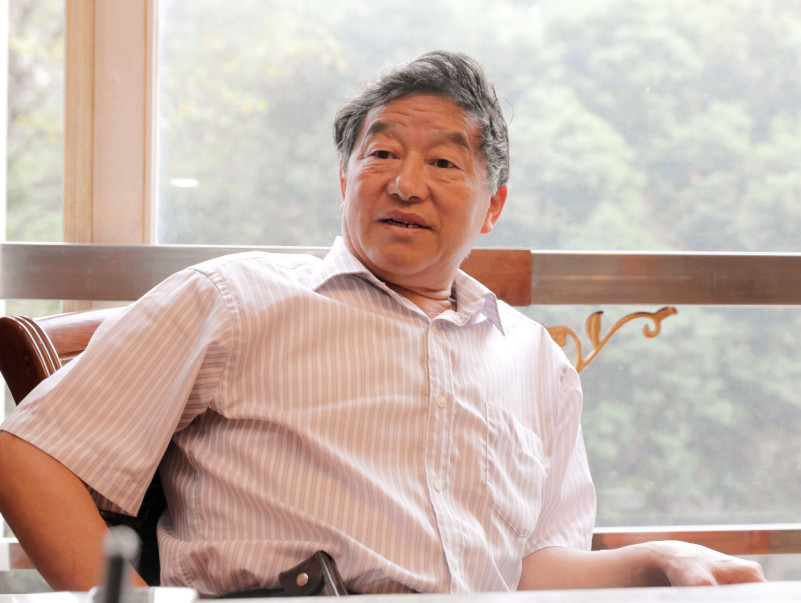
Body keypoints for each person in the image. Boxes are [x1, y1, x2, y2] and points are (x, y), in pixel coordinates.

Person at [0, 51, 764, 595]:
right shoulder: (234, 299)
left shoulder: (536, 360)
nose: (405, 183)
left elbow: (532, 569)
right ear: (344, 180)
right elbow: (28, 452)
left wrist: (654, 557)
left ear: (492, 206)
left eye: (443, 163)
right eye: (382, 153)